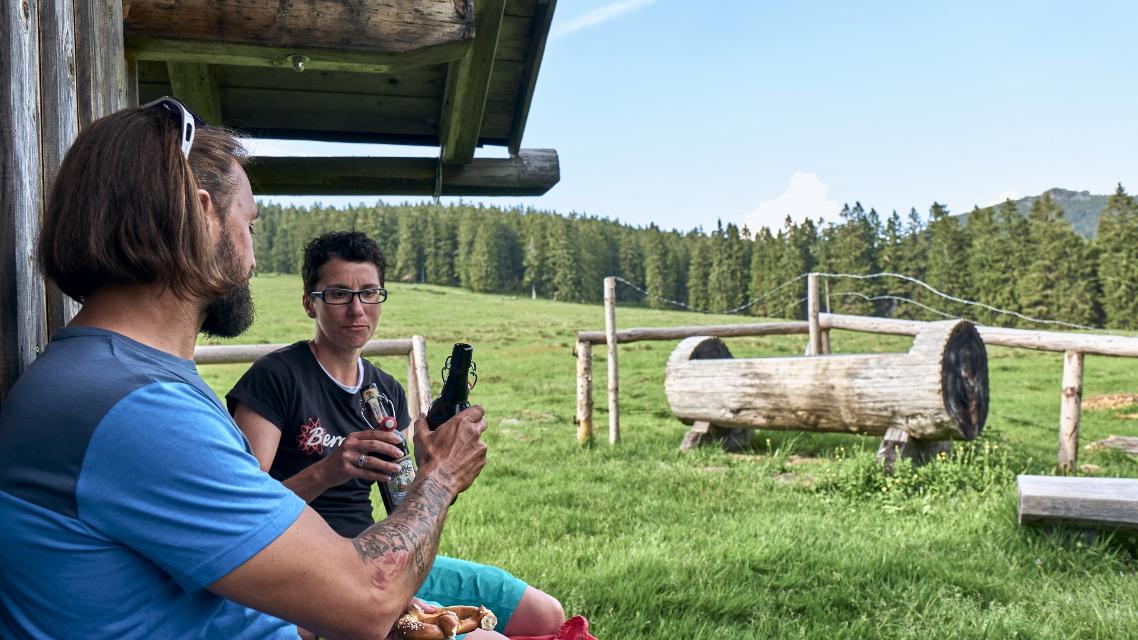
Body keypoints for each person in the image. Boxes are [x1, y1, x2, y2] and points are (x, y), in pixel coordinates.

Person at [0, 98, 491, 639]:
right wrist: (440, 476)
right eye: (249, 225)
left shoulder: (115, 378)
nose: (253, 258)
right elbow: (366, 598)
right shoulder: (135, 407)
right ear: (202, 214)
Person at [226, 231, 565, 637]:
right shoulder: (275, 379)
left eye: (369, 293)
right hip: (304, 568)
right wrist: (328, 471)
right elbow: (243, 516)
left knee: (545, 613)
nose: (357, 309)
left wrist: (434, 472)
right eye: (338, 294)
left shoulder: (386, 390)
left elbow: (404, 505)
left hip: (377, 556)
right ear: (309, 303)